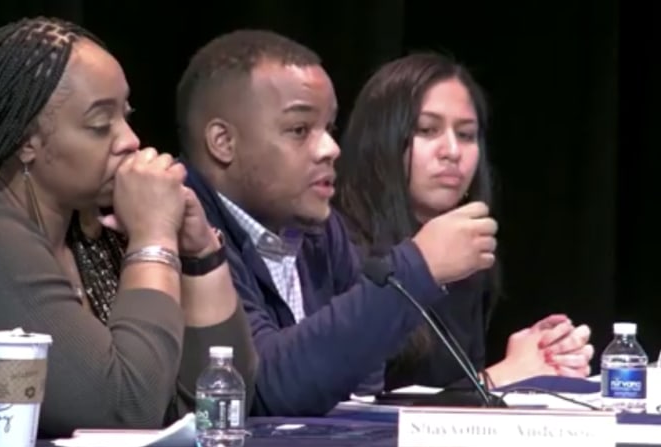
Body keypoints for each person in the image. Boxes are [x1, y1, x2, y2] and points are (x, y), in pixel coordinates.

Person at [0, 16, 256, 447]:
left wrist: (200, 253)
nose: (130, 140)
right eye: (99, 123)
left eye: (126, 117)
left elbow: (217, 405)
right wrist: (153, 238)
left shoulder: (94, 238)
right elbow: (126, 411)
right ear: (26, 140)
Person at [176, 29, 499, 416]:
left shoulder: (316, 226)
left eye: (328, 129)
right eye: (300, 130)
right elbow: (261, 389)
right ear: (223, 142)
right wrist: (419, 266)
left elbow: (362, 386)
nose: (331, 149)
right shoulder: (187, 228)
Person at [334, 52, 593, 391]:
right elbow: (363, 406)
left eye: (467, 134)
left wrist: (536, 358)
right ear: (381, 139)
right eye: (428, 130)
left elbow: (451, 395)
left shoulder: (469, 255)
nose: (453, 151)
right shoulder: (340, 247)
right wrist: (506, 374)